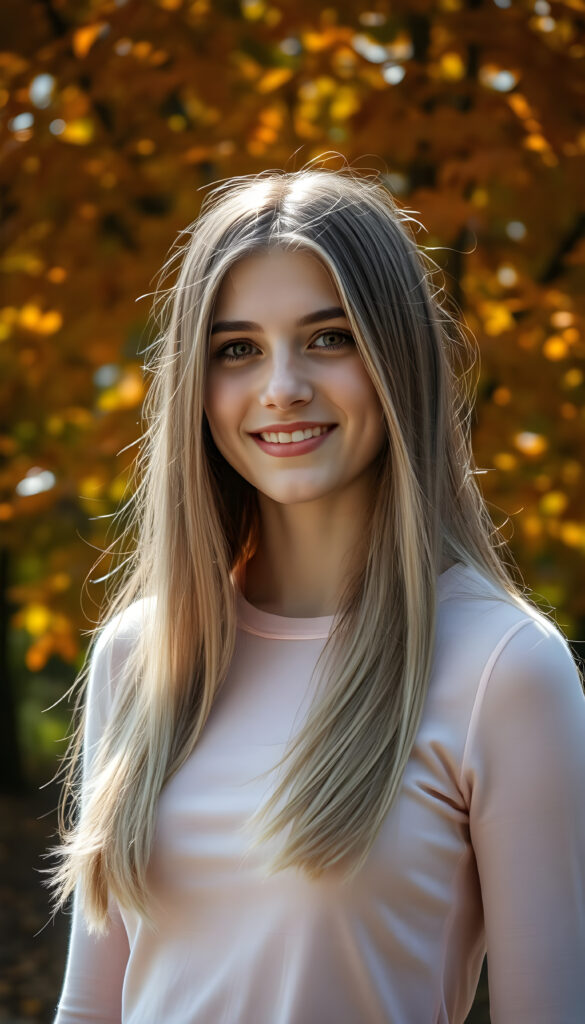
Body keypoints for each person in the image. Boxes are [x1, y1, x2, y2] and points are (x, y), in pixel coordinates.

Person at [46, 165, 585, 1023]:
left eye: (328, 337)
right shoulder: (140, 655)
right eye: (238, 349)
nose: (281, 386)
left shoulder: (504, 669)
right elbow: (89, 1007)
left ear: (395, 358)